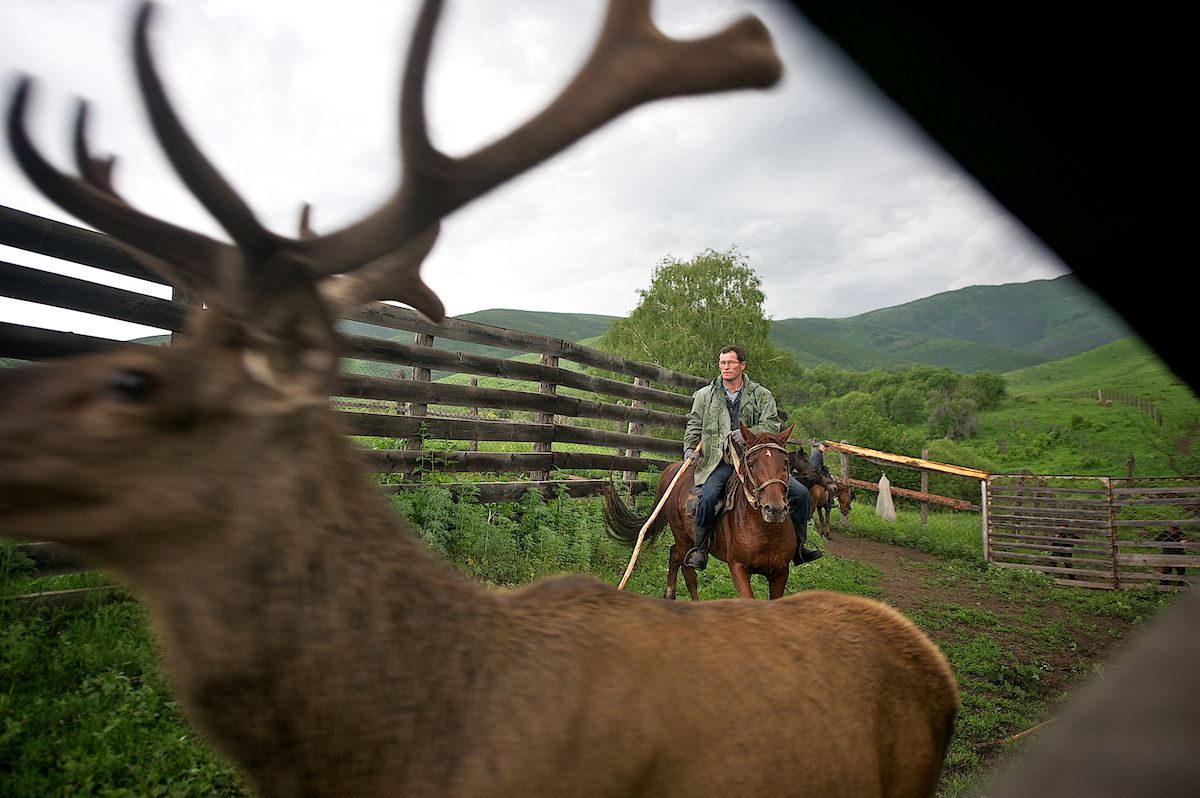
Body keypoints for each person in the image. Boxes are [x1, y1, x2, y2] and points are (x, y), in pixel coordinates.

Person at [682, 345, 823, 569]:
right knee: (707, 497)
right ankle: (700, 549)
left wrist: (750, 433)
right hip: (721, 460)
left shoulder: (761, 395)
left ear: (742, 365)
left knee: (801, 494)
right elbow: (694, 424)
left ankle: (799, 548)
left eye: (730, 363)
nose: (725, 367)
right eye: (722, 363)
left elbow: (772, 423)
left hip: (758, 462)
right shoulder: (705, 395)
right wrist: (689, 448)